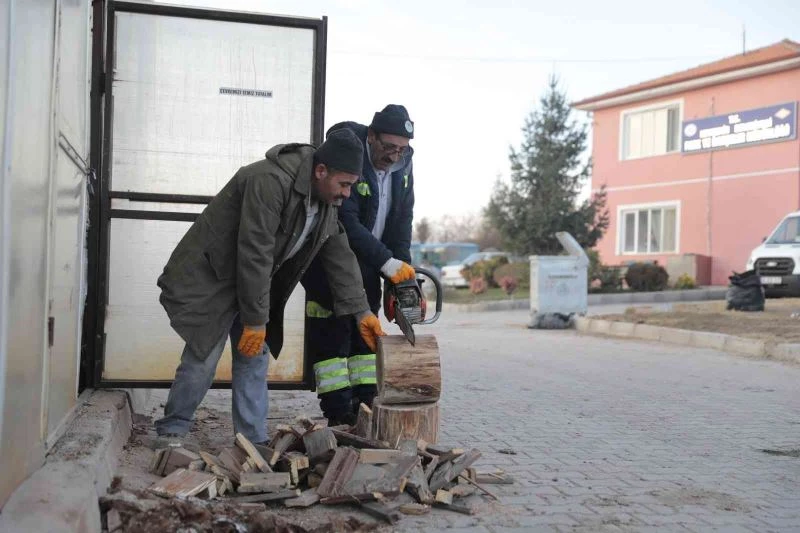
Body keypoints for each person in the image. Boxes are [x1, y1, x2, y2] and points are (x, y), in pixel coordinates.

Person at [154, 129, 385, 446]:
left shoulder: (325, 200)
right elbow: (255, 251)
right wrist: (255, 321)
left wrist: (362, 311)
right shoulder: (269, 181)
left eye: (350, 185)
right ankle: (173, 429)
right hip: (214, 278)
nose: (347, 193)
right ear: (320, 171)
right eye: (344, 184)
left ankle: (251, 441)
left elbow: (339, 254)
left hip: (252, 282)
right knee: (202, 357)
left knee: (253, 359)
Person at [303, 104, 417, 426]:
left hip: (372, 267)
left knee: (365, 344)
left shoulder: (403, 169)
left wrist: (401, 274)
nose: (394, 156)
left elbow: (402, 222)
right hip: (331, 269)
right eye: (389, 147)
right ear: (371, 136)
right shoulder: (350, 160)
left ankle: (365, 413)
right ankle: (339, 417)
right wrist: (388, 262)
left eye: (402, 149)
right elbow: (344, 222)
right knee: (332, 348)